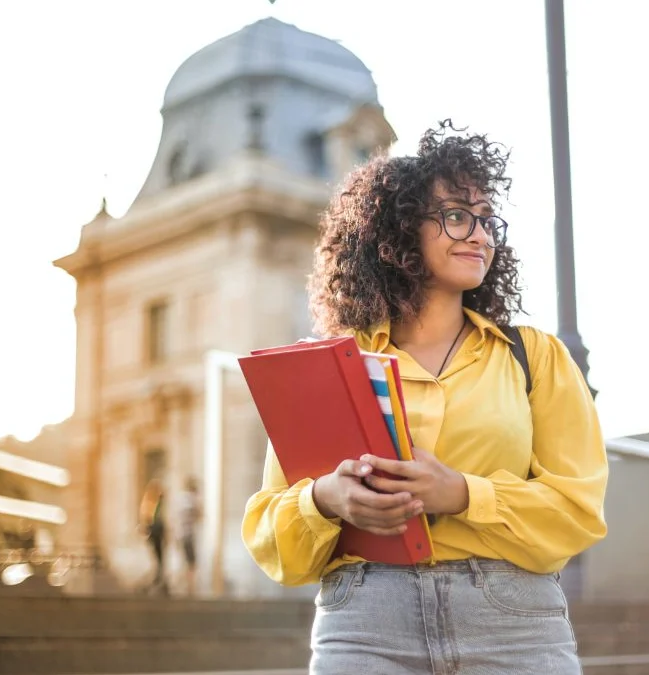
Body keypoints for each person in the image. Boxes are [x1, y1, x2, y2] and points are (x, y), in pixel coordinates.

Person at [242, 120, 608, 673]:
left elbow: (578, 512)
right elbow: (272, 535)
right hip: (364, 621)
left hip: (512, 623)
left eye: (487, 220)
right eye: (457, 215)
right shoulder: (332, 367)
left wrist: (463, 494)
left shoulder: (535, 357)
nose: (481, 235)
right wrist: (325, 499)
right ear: (398, 231)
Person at [139, 479, 168, 595]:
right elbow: (147, 517)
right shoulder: (151, 502)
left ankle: (158, 576)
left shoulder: (153, 502)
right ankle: (157, 576)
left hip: (156, 530)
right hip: (155, 530)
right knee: (157, 555)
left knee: (159, 556)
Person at [175, 476, 203, 596]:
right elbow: (198, 514)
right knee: (191, 561)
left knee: (186, 560)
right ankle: (189, 585)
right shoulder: (190, 500)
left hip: (181, 534)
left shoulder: (180, 499)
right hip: (188, 534)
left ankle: (187, 583)